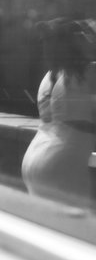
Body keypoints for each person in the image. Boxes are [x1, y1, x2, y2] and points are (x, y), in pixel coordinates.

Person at [22, 18, 96, 208]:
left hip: (34, 160)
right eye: (87, 34)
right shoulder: (89, 73)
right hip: (64, 164)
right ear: (77, 42)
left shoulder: (50, 77)